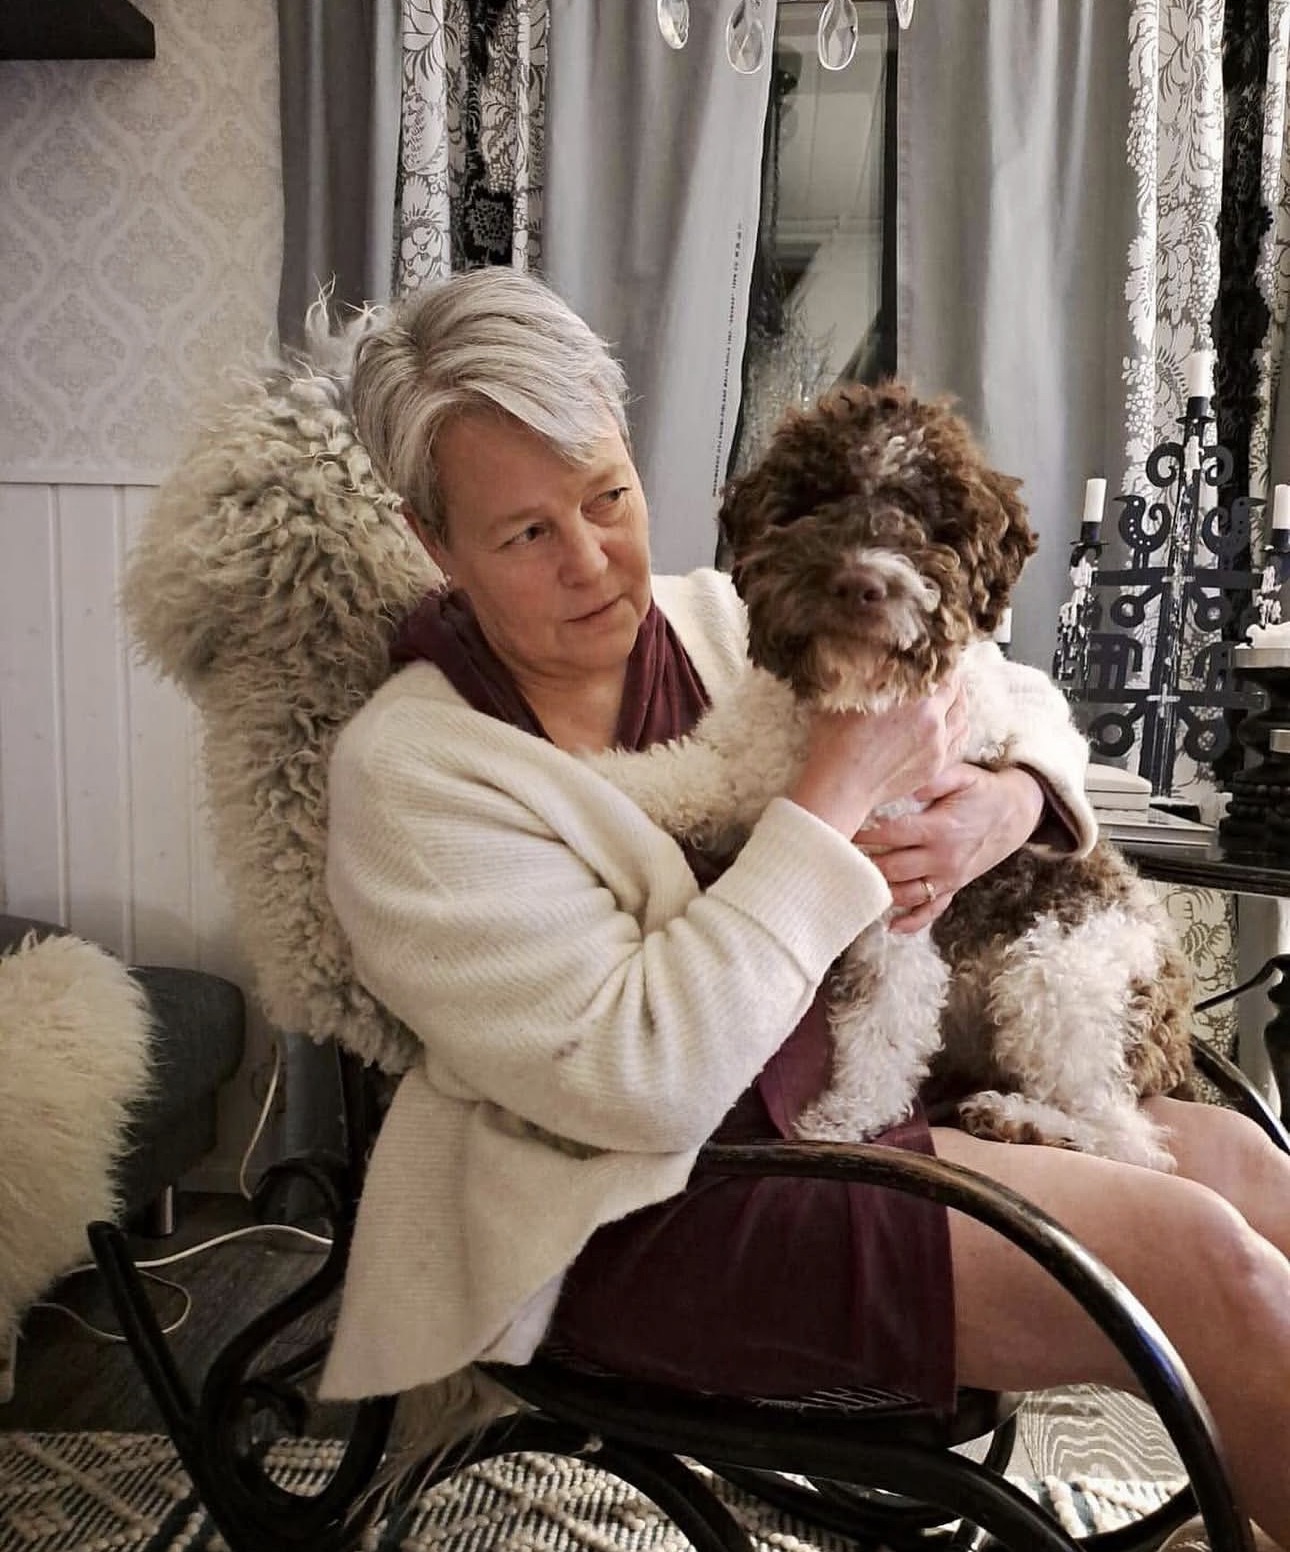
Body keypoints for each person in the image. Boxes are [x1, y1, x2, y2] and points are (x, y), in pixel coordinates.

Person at [321, 266, 1290, 1548]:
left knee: (1250, 1173)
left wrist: (1004, 804)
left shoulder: (718, 618)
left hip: (868, 1103)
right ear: (433, 543)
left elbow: (1006, 690)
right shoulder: (414, 775)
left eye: (607, 497)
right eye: (525, 536)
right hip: (653, 1202)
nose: (594, 562)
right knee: (1209, 1266)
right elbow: (641, 1087)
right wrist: (832, 793)